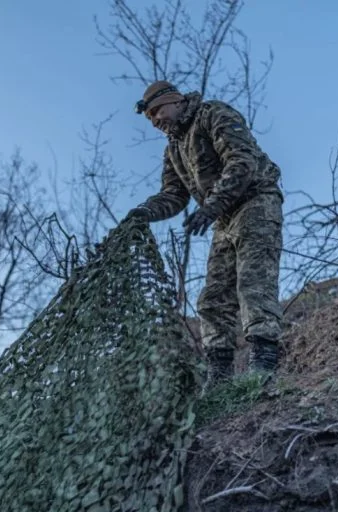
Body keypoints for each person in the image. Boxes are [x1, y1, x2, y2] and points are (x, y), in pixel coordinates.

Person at [123, 80, 284, 389]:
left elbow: (242, 160)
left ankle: (263, 366)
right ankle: (220, 379)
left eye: (157, 112)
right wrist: (144, 212)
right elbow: (173, 195)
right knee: (213, 299)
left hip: (255, 201)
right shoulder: (173, 148)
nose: (156, 121)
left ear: (175, 101)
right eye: (150, 118)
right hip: (223, 216)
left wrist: (211, 207)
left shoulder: (213, 114)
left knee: (253, 281)